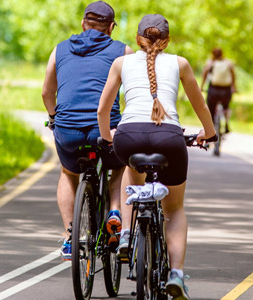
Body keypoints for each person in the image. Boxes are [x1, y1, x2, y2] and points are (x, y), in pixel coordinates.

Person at [96, 14, 216, 300]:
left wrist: (109, 137)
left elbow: (103, 111)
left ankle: (126, 235)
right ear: (167, 40)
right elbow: (200, 104)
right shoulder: (180, 63)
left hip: (128, 136)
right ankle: (176, 274)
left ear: (138, 39)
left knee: (130, 172)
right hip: (170, 140)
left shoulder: (121, 63)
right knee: (173, 209)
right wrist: (208, 133)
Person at [41, 0, 134, 261]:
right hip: (105, 129)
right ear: (111, 28)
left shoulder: (59, 49)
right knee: (118, 167)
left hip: (68, 130)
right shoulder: (122, 50)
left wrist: (53, 119)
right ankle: (115, 211)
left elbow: (47, 93)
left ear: (83, 24)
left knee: (68, 173)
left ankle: (71, 237)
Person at [200, 47, 237, 133]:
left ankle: (211, 128)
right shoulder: (228, 63)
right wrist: (234, 87)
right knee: (226, 107)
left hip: (214, 89)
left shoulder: (211, 63)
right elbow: (233, 75)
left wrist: (201, 86)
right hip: (226, 90)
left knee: (211, 109)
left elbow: (205, 74)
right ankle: (226, 123)